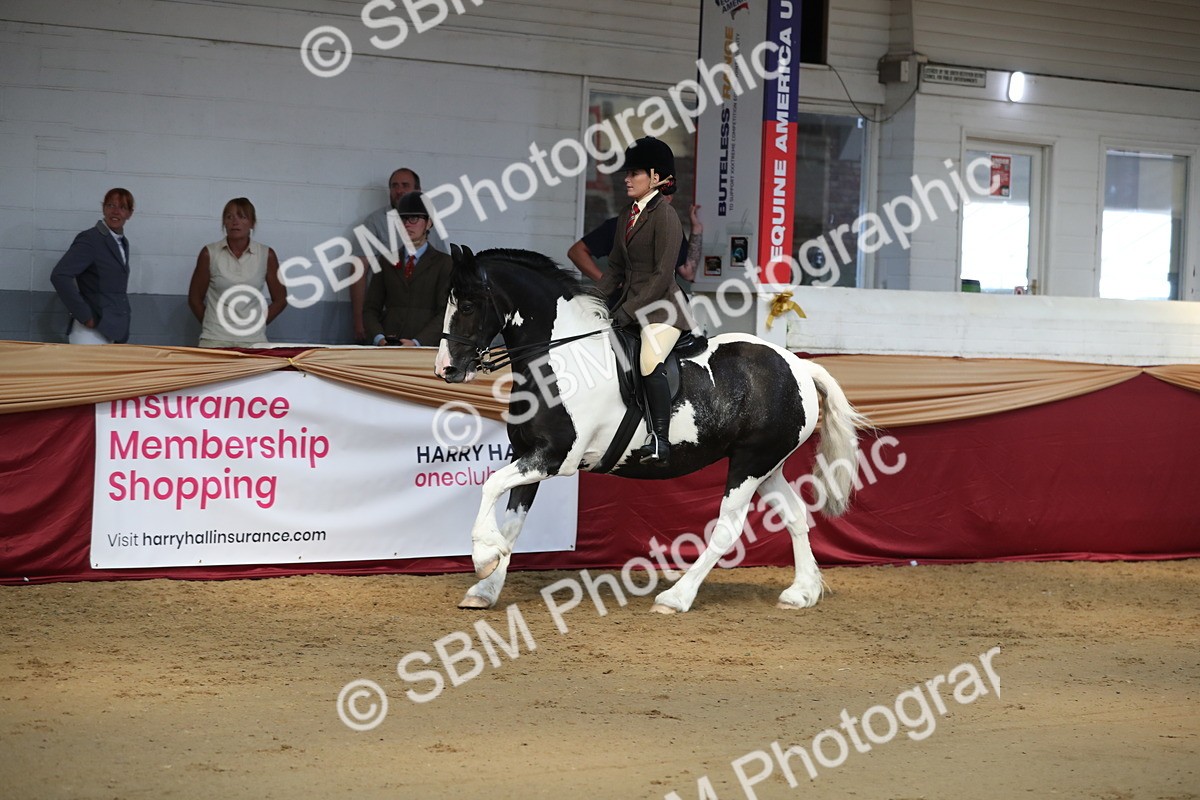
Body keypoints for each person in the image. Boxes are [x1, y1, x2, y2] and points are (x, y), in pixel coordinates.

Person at [595, 137, 699, 466]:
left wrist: (625, 311)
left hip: (662, 309)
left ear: (655, 177)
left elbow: (661, 276)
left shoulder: (665, 217)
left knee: (648, 361)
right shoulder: (628, 213)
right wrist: (593, 301)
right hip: (630, 303)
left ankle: (659, 440)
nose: (626, 178)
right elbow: (614, 267)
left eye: (634, 172)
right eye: (627, 172)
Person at [350, 167, 448, 343]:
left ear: (428, 224)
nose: (408, 225)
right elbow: (371, 306)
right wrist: (378, 336)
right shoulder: (386, 256)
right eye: (403, 219)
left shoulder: (444, 261)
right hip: (389, 339)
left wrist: (418, 342)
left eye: (414, 219)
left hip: (426, 344)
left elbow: (445, 310)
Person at [187, 198, 286, 348]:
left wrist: (257, 324)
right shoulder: (210, 253)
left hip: (253, 341)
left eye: (242, 216)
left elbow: (281, 299)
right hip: (214, 339)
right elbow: (194, 299)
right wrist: (213, 325)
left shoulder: (266, 254)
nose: (235, 221)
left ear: (252, 223)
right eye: (229, 217)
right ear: (224, 223)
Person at [50, 188, 136, 344]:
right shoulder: (90, 239)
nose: (115, 211)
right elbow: (59, 276)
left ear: (130, 213)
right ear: (103, 208)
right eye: (110, 205)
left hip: (112, 329)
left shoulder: (122, 242)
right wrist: (85, 316)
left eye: (122, 207)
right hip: (90, 332)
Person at [568, 199, 704, 284]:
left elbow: (688, 272)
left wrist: (696, 230)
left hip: (660, 309)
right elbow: (576, 252)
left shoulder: (673, 230)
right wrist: (606, 282)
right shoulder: (617, 226)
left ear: (669, 199)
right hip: (623, 309)